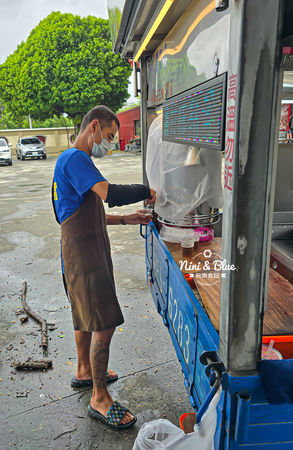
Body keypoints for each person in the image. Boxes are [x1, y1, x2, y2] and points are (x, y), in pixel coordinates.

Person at [52, 105, 156, 430]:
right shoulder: (76, 158)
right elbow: (108, 194)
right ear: (94, 127)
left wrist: (129, 218)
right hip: (85, 255)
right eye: (109, 136)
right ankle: (99, 397)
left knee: (84, 314)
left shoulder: (71, 162)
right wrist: (145, 192)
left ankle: (84, 370)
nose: (108, 143)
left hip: (78, 250)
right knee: (104, 323)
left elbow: (86, 212)